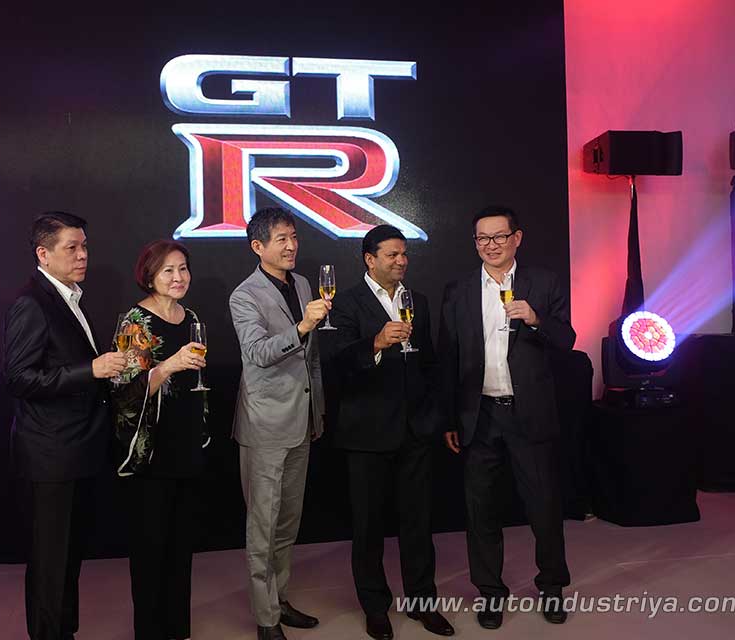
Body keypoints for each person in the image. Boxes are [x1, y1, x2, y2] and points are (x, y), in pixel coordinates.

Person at [438, 206, 574, 629]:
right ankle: (491, 593)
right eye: (482, 238)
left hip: (528, 413)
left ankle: (551, 587)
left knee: (544, 507)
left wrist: (535, 319)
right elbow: (448, 357)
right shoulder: (459, 290)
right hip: (479, 415)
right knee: (480, 511)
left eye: (499, 236)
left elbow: (567, 339)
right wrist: (449, 417)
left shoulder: (543, 283)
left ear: (517, 238)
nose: (491, 245)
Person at [4, 211, 128, 640]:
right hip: (50, 455)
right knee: (50, 563)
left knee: (68, 559)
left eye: (84, 246)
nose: (82, 255)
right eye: (71, 248)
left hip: (77, 450)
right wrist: (90, 370)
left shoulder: (69, 297)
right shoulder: (31, 302)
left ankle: (64, 632)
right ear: (44, 254)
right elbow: (19, 379)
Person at [330, 224, 454, 640]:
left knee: (418, 524)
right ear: (370, 259)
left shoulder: (417, 300)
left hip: (415, 431)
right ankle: (375, 607)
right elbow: (338, 361)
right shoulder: (344, 302)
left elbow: (429, 362)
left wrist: (434, 416)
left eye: (404, 254)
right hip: (366, 432)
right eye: (392, 255)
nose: (402, 261)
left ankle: (423, 602)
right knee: (368, 527)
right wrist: (376, 343)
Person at [228, 207, 329, 640]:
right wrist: (303, 325)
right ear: (258, 246)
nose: (291, 246)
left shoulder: (303, 283)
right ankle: (266, 619)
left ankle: (279, 598)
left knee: (288, 522)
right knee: (263, 527)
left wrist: (317, 409)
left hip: (302, 420)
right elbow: (258, 353)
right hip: (265, 425)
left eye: (294, 237)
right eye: (281, 239)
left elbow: (313, 358)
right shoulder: (244, 295)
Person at [111, 240, 209, 640]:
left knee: (181, 548)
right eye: (168, 270)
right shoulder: (135, 322)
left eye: (183, 268)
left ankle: (177, 628)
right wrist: (169, 365)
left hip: (186, 443)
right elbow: (125, 392)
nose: (178, 277)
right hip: (151, 451)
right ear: (149, 275)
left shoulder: (192, 317)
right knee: (150, 550)